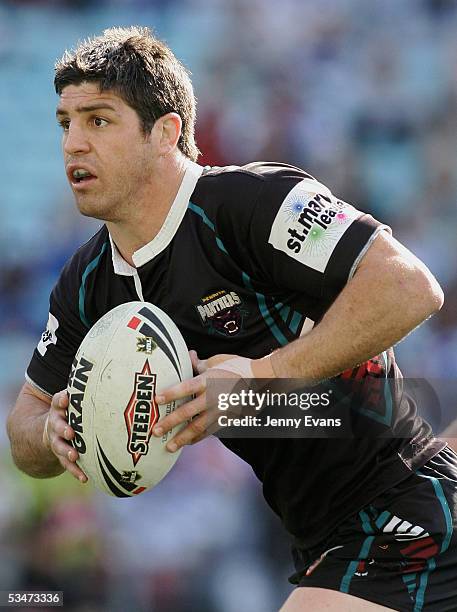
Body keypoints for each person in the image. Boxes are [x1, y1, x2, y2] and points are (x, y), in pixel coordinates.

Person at [6, 26, 457, 611]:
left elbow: (411, 287)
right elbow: (25, 422)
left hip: (404, 508)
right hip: (319, 537)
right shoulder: (87, 282)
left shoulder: (254, 203)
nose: (72, 144)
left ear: (165, 132)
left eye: (98, 120)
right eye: (65, 123)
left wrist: (260, 374)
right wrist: (51, 433)